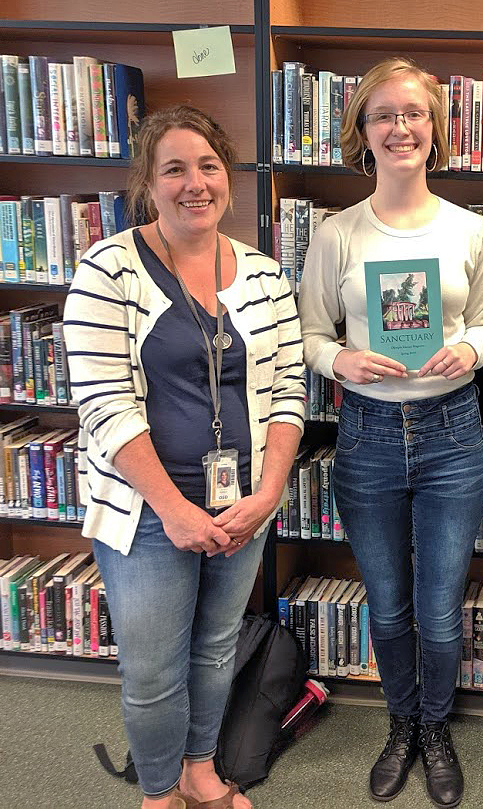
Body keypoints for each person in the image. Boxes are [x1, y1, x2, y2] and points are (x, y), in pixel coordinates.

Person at [65, 105, 306, 809]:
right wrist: (173, 510)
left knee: (214, 647)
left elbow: (291, 386)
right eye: (173, 168)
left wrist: (267, 493)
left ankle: (201, 769)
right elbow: (104, 405)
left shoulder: (262, 273)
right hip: (147, 512)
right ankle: (159, 793)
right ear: (148, 181)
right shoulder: (106, 270)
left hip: (242, 504)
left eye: (206, 166)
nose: (193, 183)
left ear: (225, 175)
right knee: (151, 669)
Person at [297, 57, 483, 809]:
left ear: (436, 130)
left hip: (450, 431)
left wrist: (471, 349)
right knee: (386, 602)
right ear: (363, 132)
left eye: (414, 113)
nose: (400, 127)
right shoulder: (337, 233)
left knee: (440, 605)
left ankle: (436, 727)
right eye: (384, 114)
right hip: (368, 433)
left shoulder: (470, 229)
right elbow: (311, 333)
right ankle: (401, 722)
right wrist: (341, 355)